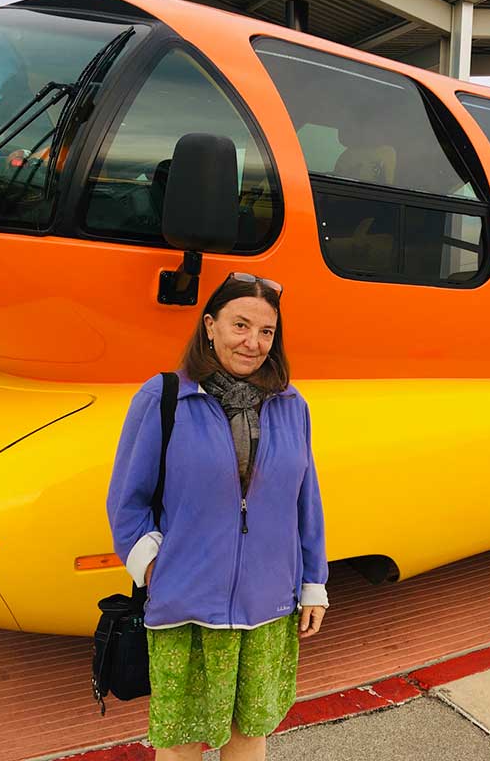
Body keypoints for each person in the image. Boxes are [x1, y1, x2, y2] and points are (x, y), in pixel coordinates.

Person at [106, 271, 329, 761]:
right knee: (182, 740)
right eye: (240, 325)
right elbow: (128, 500)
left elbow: (305, 502)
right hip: (187, 605)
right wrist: (153, 567)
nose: (253, 343)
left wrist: (313, 583)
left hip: (266, 607)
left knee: (249, 734)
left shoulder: (292, 406)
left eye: (266, 332)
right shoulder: (164, 396)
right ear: (210, 326)